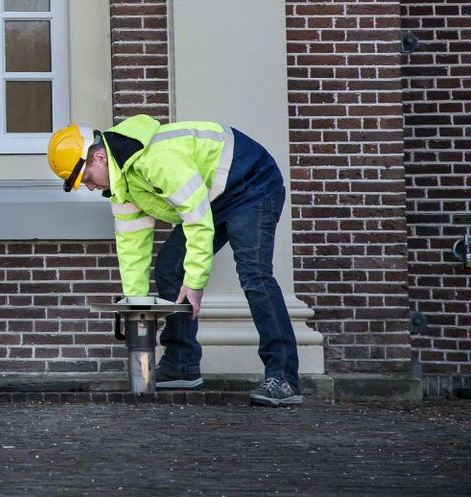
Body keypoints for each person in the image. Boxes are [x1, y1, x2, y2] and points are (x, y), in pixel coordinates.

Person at [46, 115, 302, 406]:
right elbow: (132, 247)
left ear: (100, 157)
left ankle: (284, 378)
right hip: (211, 199)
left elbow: (197, 220)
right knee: (170, 267)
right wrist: (136, 304)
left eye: (86, 178)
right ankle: (181, 364)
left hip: (250, 184)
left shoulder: (157, 160)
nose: (89, 188)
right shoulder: (121, 184)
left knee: (254, 275)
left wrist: (194, 283)